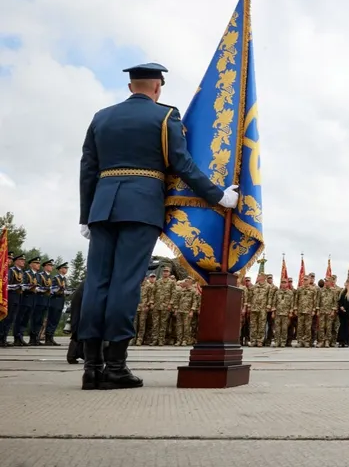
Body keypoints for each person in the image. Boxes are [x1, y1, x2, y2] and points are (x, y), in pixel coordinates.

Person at [77, 62, 239, 390]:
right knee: (126, 283)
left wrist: (85, 215)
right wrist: (217, 196)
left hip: (102, 206)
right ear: (157, 88)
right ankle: (116, 367)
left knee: (96, 283)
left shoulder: (101, 117)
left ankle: (91, 367)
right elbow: (182, 163)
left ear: (130, 87)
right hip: (141, 205)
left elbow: (88, 168)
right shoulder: (165, 117)